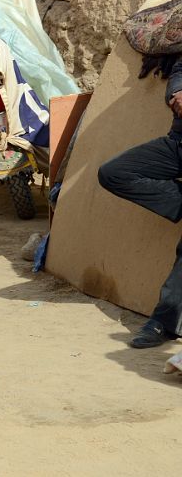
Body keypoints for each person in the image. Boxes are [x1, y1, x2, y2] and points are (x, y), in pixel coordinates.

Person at [97, 57, 182, 348]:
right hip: (177, 144)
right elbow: (179, 71)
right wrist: (177, 93)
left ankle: (164, 322)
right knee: (114, 173)